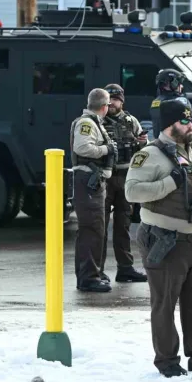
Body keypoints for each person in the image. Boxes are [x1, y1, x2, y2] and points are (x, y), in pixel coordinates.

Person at [125, 99, 192, 377]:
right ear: (169, 124)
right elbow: (132, 193)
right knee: (164, 304)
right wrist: (170, 183)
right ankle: (168, 360)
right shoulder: (150, 155)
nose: (191, 126)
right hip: (165, 240)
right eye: (185, 122)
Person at [71, 88, 118, 293]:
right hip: (87, 182)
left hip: (93, 182)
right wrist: (106, 149)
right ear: (104, 106)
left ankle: (92, 273)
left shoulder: (93, 122)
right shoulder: (87, 123)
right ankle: (88, 278)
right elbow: (82, 148)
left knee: (94, 230)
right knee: (92, 230)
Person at [101, 84, 148, 283]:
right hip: (106, 177)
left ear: (122, 101)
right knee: (100, 227)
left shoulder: (131, 121)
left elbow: (143, 147)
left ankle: (125, 268)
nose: (111, 103)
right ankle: (97, 270)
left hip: (126, 176)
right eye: (108, 99)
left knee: (124, 226)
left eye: (115, 99)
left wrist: (143, 142)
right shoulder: (98, 121)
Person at [150, 69, 192, 153]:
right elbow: (191, 125)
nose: (181, 86)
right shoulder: (180, 102)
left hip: (160, 145)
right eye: (179, 83)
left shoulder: (155, 102)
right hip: (179, 146)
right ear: (173, 83)